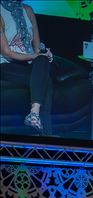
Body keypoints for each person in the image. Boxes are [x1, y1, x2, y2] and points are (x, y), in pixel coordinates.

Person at [0, 0, 54, 135]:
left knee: (43, 61)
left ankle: (34, 114)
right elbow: (7, 54)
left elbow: (37, 47)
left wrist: (44, 53)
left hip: (29, 64)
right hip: (6, 65)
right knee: (46, 81)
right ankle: (47, 135)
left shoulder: (28, 10)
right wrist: (35, 56)